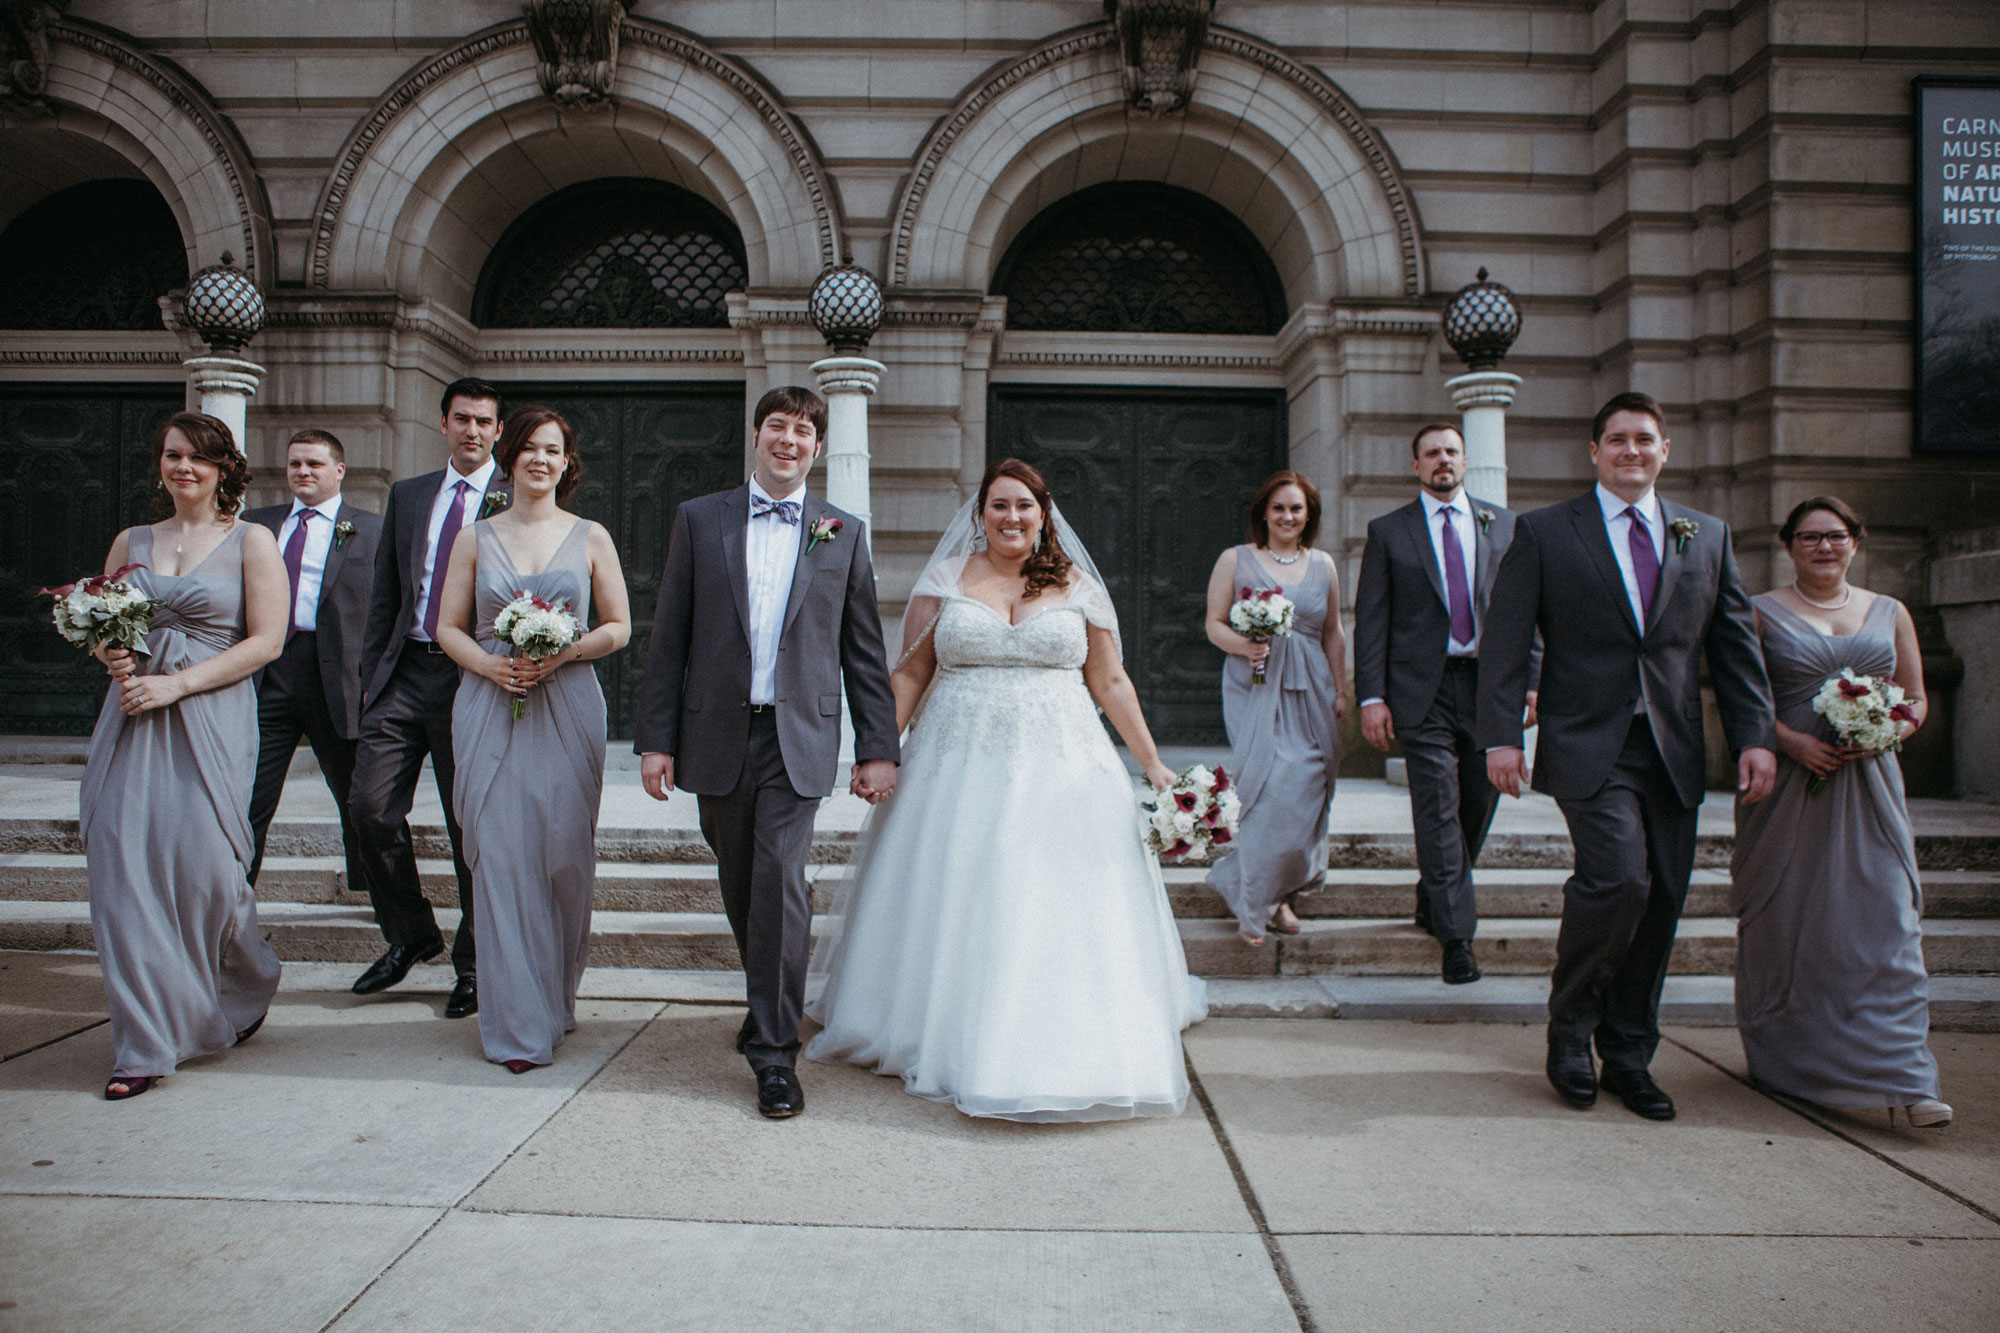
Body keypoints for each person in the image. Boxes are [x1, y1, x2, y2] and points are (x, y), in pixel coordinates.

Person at [807, 458, 1208, 1123]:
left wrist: (1155, 765)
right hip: (956, 766)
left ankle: (1059, 1036)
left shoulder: (1079, 586)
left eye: (1024, 505)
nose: (1012, 517)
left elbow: (1110, 684)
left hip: (1064, 768)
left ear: (1043, 514)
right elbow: (909, 676)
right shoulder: (945, 580)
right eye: (999, 505)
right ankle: (941, 1027)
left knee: (1055, 900)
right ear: (980, 514)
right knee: (965, 892)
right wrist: (879, 752)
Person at [1478, 391, 1777, 1122]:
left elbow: (1735, 648)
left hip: (1673, 748)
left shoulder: (1704, 534)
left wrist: (1756, 736)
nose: (1631, 450)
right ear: (1595, 452)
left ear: (1665, 450)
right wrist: (1500, 736)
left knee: (1665, 896)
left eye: (1644, 439)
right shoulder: (1546, 532)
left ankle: (1630, 1053)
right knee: (1617, 878)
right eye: (1617, 439)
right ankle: (1571, 1028)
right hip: (1588, 740)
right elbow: (1507, 641)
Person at [635, 385, 899, 1119]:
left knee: (780, 876)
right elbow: (670, 638)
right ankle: (770, 996)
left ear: (817, 446)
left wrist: (878, 745)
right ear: (756, 436)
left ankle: (774, 1053)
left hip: (799, 736)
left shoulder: (841, 530)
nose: (789, 440)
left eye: (804, 431)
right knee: (741, 879)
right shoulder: (699, 518)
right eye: (777, 426)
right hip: (715, 732)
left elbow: (863, 652)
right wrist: (655, 740)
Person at [80, 411, 288, 1100]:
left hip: (211, 713)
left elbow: (266, 642)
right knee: (123, 866)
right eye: (172, 455)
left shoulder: (251, 542)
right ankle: (142, 1043)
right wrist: (115, 652)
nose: (183, 468)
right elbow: (109, 624)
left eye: (197, 457)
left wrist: (179, 682)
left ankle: (246, 974)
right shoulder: (130, 542)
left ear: (223, 467)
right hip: (134, 718)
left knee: (208, 872)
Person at [1731, 496, 1950, 1128]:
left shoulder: (1891, 611)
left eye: (1835, 536)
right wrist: (1793, 742)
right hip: (1788, 787)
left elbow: (1915, 699)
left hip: (1870, 783)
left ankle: (1908, 1077)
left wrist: (1885, 732)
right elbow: (1739, 696)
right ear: (1788, 546)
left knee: (1886, 919)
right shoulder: (1761, 613)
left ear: (1856, 541)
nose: (1823, 548)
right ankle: (1790, 1060)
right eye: (1808, 538)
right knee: (1794, 921)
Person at [435, 407, 631, 1073]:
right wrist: (489, 664)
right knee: (503, 858)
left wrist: (568, 650)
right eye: (529, 449)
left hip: (568, 706)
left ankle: (554, 998)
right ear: (509, 457)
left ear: (566, 462)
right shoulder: (475, 537)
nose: (541, 460)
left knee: (562, 860)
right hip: (491, 702)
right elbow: (448, 627)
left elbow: (620, 627)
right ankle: (518, 1025)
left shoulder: (592, 536)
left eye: (554, 450)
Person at [349, 378, 507, 1018]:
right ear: (442, 423)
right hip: (404, 673)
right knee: (368, 808)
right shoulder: (409, 496)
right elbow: (385, 590)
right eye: (462, 419)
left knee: (468, 821)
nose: (472, 431)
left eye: (485, 422)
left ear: (499, 431)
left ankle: (472, 965)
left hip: (473, 675)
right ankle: (412, 932)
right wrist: (369, 676)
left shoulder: (514, 494)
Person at [1354, 424, 1535, 983]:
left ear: (1464, 460)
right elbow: (1373, 621)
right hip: (1421, 691)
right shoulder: (1390, 531)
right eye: (1431, 453)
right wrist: (1372, 696)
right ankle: (1457, 938)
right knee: (1436, 802)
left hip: (1490, 688)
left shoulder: (1504, 525)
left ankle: (1435, 894)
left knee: (1476, 805)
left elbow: (1525, 609)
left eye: (1451, 451)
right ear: (1416, 466)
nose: (1442, 461)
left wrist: (1531, 681)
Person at [1202, 470, 1347, 945]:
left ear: (1309, 517)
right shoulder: (1235, 559)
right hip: (1256, 685)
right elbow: (1214, 624)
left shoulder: (1324, 564)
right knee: (1269, 791)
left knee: (1307, 787)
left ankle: (1271, 890)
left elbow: (1332, 632)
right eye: (1279, 507)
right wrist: (1246, 646)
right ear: (1264, 512)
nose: (1288, 516)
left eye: (1297, 509)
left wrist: (1341, 690)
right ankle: (1255, 901)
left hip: (1312, 688)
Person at [243, 429, 383, 892]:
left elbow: (388, 609)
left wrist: (376, 677)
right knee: (250, 793)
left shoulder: (373, 528)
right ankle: (235, 889)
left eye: (314, 464)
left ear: (339, 471)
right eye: (295, 464)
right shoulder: (257, 525)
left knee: (356, 795)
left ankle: (372, 890)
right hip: (270, 671)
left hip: (339, 675)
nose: (302, 472)